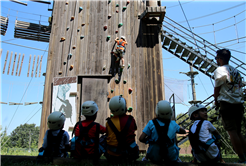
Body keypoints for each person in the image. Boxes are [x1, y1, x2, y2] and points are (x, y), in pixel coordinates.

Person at [214, 49, 246, 163]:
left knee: (231, 131)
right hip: (238, 103)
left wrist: (216, 100)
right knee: (238, 131)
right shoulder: (236, 71)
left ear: (220, 59)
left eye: (216, 58)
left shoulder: (220, 70)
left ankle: (241, 157)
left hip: (227, 103)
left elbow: (217, 88)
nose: (216, 60)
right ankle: (245, 155)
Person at [105, 95, 139, 164]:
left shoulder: (108, 122)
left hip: (113, 154)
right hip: (129, 153)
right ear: (123, 107)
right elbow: (134, 128)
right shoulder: (131, 119)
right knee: (135, 146)